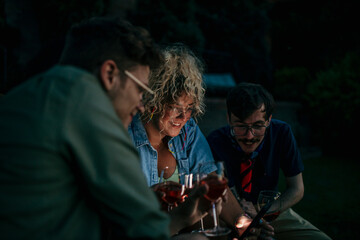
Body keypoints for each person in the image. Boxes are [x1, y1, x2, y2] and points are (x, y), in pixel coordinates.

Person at [0, 16, 213, 240]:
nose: (141, 104)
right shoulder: (87, 106)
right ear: (109, 73)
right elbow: (142, 229)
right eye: (140, 89)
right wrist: (184, 217)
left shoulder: (29, 94)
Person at [128, 44, 274, 239]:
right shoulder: (126, 136)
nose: (183, 116)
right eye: (175, 107)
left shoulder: (187, 132)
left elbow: (212, 182)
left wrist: (243, 223)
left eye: (189, 108)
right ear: (154, 100)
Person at [207, 82, 332, 240]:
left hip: (273, 211)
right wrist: (244, 218)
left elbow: (297, 189)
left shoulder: (281, 133)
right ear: (229, 119)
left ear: (269, 120)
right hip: (230, 213)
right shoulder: (215, 142)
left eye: (258, 126)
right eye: (240, 126)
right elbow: (221, 195)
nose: (249, 136)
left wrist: (264, 212)